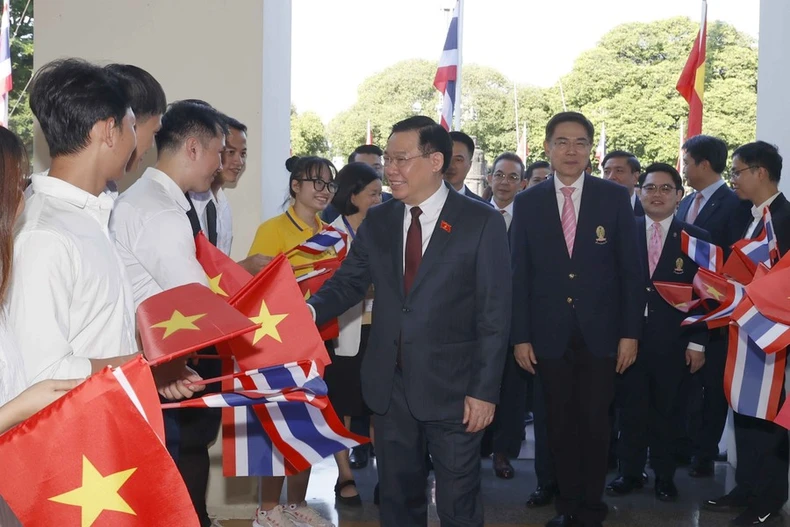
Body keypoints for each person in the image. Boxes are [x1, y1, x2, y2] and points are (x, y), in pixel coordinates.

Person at [307, 116, 511, 527]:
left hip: (456, 389)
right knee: (398, 500)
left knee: (458, 501)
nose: (390, 169)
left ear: (436, 161)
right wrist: (304, 314)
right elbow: (348, 283)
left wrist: (484, 392)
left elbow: (494, 314)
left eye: (401, 159)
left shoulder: (480, 221)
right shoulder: (379, 220)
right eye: (387, 159)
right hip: (390, 385)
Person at [510, 112, 644, 527]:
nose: (571, 150)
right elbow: (519, 275)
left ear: (591, 150)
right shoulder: (527, 201)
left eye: (581, 142)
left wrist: (630, 334)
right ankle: (568, 507)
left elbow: (631, 272)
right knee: (558, 426)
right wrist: (520, 336)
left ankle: (591, 508)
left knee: (595, 423)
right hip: (547, 336)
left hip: (602, 335)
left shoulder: (613, 197)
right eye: (562, 142)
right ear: (547, 148)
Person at [110, 100, 227, 527]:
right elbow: (195, 299)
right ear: (194, 148)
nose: (221, 163)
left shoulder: (147, 198)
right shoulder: (160, 211)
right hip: (155, 367)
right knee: (162, 492)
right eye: (219, 150)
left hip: (151, 363)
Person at [606, 163, 709, 502]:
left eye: (666, 188)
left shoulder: (697, 239)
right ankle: (629, 473)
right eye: (650, 188)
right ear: (639, 192)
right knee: (630, 409)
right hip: (627, 339)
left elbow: (707, 294)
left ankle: (664, 476)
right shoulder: (623, 230)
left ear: (679, 196)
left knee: (669, 412)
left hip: (675, 341)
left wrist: (697, 341)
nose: (657, 194)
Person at [247, 155, 338, 527]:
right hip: (279, 343)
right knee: (276, 427)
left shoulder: (329, 233)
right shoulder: (272, 229)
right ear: (295, 186)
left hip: (316, 341)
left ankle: (295, 504)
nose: (324, 190)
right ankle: (267, 509)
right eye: (315, 182)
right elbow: (258, 287)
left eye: (329, 184)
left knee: (306, 427)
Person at [703, 141, 790, 527]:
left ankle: (769, 497)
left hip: (773, 334)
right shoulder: (746, 214)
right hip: (741, 330)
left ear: (760, 172)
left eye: (737, 172)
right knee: (743, 411)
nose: (733, 179)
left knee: (768, 417)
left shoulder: (786, 218)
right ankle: (747, 487)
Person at [676, 135, 751, 479]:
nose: (685, 169)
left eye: (688, 162)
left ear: (704, 164)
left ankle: (704, 453)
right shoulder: (685, 202)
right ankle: (681, 444)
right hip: (679, 306)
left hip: (716, 310)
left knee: (711, 385)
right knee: (684, 383)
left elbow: (732, 261)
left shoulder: (735, 204)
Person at [324, 162, 383, 505]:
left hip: (383, 331)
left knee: (381, 406)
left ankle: (384, 475)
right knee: (341, 406)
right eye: (373, 193)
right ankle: (345, 476)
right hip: (344, 333)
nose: (380, 199)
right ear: (353, 196)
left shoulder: (388, 230)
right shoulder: (330, 236)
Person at [482, 152, 528, 480]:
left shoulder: (530, 218)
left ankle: (502, 453)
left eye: (513, 177)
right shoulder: (474, 216)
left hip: (517, 322)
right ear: (489, 179)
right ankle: (471, 451)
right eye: (499, 175)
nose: (505, 182)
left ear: (523, 183)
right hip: (477, 321)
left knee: (512, 392)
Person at [321, 144, 391, 224]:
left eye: (376, 167)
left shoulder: (396, 204)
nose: (371, 172)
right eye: (363, 167)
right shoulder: (331, 211)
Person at [445, 130, 489, 203]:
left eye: (458, 160)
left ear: (469, 165)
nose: (451, 165)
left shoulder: (485, 210)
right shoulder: (421, 201)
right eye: (447, 157)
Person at [602, 150, 643, 215]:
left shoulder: (648, 212)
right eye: (606, 172)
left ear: (635, 177)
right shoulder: (593, 209)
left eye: (619, 171)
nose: (610, 177)